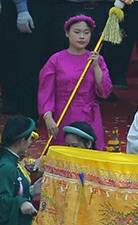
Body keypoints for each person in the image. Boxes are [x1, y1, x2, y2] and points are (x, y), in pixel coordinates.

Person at [37, 11, 112, 150]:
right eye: (77, 32)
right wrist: (48, 116)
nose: (82, 36)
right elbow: (46, 91)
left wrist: (96, 66)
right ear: (67, 33)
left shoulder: (96, 59)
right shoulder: (56, 60)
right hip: (64, 112)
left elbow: (105, 91)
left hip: (89, 115)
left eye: (86, 32)